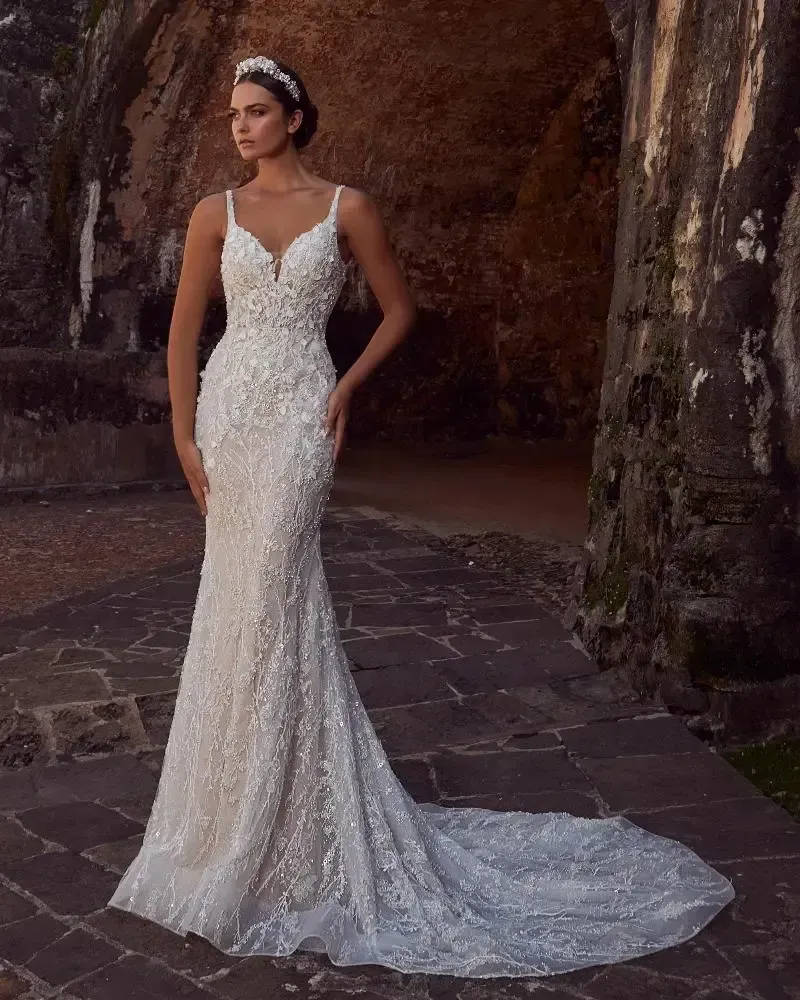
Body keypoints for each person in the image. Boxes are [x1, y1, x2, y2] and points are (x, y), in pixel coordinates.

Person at [108, 56, 734, 978]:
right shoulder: (214, 214)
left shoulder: (347, 207)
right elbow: (181, 332)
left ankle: (281, 824)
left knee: (277, 593)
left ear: (293, 117)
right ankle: (234, 820)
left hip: (300, 412)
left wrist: (349, 388)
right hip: (230, 409)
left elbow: (400, 311)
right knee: (236, 599)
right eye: (232, 114)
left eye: (255, 112)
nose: (238, 127)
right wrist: (183, 435)